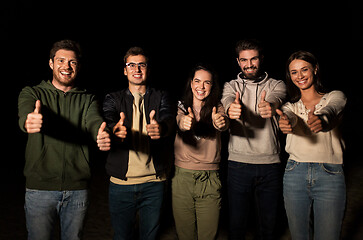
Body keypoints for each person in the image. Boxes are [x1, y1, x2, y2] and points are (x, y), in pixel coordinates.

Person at [17, 39, 110, 240]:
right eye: (60, 60)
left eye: (72, 62)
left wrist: (100, 133)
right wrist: (28, 121)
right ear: (51, 63)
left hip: (77, 191)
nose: (66, 67)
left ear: (78, 66)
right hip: (39, 189)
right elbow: (25, 112)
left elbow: (93, 120)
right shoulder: (32, 92)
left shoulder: (88, 98)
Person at [103, 46, 175, 240]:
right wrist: (113, 130)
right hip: (121, 184)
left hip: (154, 182)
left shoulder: (161, 96)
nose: (137, 69)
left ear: (148, 70)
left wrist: (162, 128)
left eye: (141, 65)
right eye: (131, 65)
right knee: (122, 236)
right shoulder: (113, 98)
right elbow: (108, 118)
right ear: (124, 70)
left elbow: (169, 118)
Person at [276, 50, 347, 240]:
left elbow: (332, 111)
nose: (299, 76)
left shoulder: (335, 97)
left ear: (315, 69)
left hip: (330, 174)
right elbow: (289, 117)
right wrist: (287, 122)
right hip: (294, 174)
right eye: (294, 72)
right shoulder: (288, 107)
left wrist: (321, 119)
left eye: (304, 70)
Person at [221, 39, 286, 240]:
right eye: (244, 60)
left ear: (261, 59)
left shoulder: (277, 84)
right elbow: (227, 101)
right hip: (238, 165)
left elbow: (277, 97)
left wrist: (270, 105)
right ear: (238, 62)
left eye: (254, 59)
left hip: (270, 164)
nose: (249, 64)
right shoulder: (230, 85)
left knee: (268, 226)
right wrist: (232, 108)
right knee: (236, 225)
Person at [172, 64, 229, 240]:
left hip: (210, 179)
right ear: (191, 83)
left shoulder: (217, 107)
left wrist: (221, 123)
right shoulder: (181, 106)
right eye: (197, 81)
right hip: (182, 179)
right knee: (185, 235)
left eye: (207, 83)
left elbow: (223, 121)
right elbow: (179, 119)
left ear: (213, 86)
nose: (201, 87)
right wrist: (183, 123)